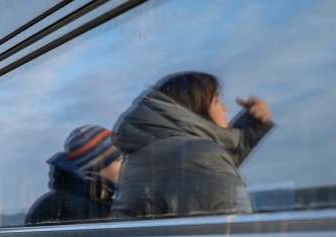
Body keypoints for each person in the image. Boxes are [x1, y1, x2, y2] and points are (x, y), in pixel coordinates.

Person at [112, 71, 273, 219]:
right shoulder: (194, 155)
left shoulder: (159, 152)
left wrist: (252, 126)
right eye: (217, 101)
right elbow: (232, 235)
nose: (225, 107)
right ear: (190, 105)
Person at [25, 125, 124, 225]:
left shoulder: (103, 201)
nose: (125, 164)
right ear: (95, 166)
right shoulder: (59, 208)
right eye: (119, 160)